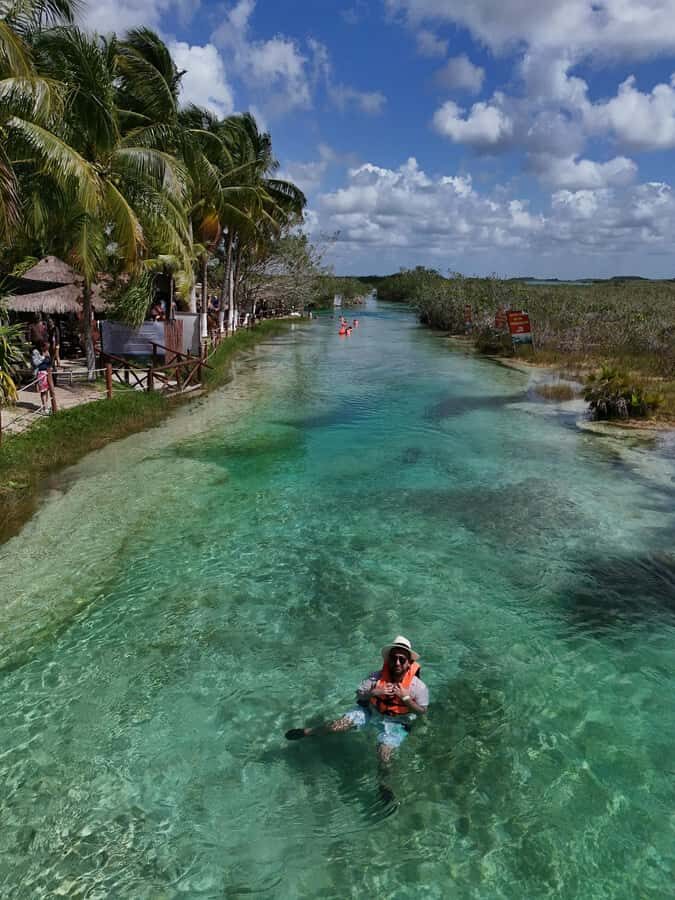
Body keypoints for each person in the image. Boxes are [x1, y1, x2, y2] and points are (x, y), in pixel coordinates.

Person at [285, 636, 429, 800]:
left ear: (409, 663)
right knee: (337, 726)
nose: (397, 663)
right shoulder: (375, 678)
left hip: (398, 721)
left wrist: (406, 699)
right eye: (393, 658)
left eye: (401, 660)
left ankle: (384, 785)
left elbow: (421, 712)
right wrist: (374, 693)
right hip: (372, 711)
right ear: (388, 660)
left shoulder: (418, 687)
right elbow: (359, 695)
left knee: (383, 754)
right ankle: (309, 732)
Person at [31, 341, 51, 413]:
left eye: (48, 348)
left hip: (47, 373)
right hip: (40, 373)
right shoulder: (35, 352)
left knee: (47, 391)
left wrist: (47, 357)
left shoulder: (46, 352)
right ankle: (44, 407)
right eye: (46, 348)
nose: (47, 349)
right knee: (43, 391)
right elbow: (36, 363)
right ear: (42, 346)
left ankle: (46, 406)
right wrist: (43, 357)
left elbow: (49, 362)